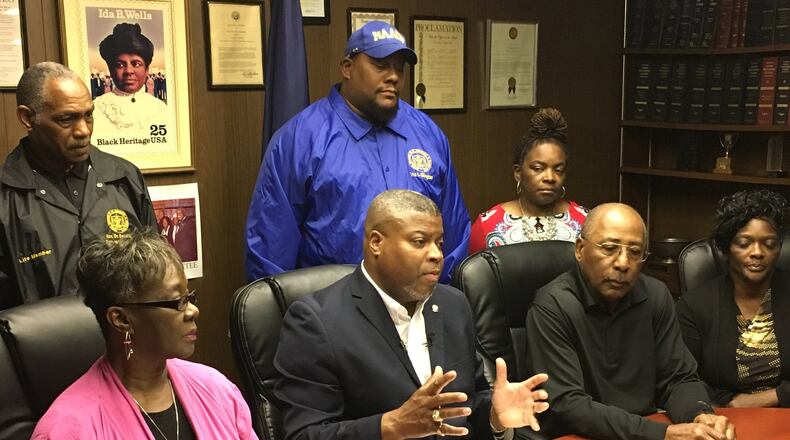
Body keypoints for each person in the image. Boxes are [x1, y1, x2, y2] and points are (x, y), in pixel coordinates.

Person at [274, 189, 550, 439]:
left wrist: (494, 416)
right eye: (420, 242)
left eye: (439, 243)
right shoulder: (316, 321)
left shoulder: (454, 304)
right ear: (376, 243)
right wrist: (389, 426)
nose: (436, 255)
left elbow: (468, 403)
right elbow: (302, 434)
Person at [246, 21, 470, 283]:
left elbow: (454, 233)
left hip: (418, 308)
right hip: (332, 313)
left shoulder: (428, 135)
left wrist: (439, 304)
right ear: (348, 68)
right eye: (380, 65)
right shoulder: (300, 139)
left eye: (399, 67)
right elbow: (270, 251)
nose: (393, 76)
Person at [525, 203, 735, 440]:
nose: (623, 263)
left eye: (635, 252)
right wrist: (662, 434)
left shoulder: (656, 295)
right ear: (580, 249)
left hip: (644, 428)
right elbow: (568, 403)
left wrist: (699, 414)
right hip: (578, 435)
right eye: (610, 248)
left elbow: (677, 377)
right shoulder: (552, 305)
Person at [32, 230, 257, 439]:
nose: (193, 311)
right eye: (177, 301)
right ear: (122, 319)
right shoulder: (65, 429)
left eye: (189, 297)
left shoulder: (216, 389)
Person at [0, 62, 157, 309]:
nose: (83, 130)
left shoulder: (123, 177)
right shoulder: (6, 197)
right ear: (27, 118)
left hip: (124, 340)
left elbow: (154, 275)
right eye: (66, 119)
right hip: (45, 344)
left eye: (88, 115)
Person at [677, 189, 790, 408]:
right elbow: (683, 380)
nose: (757, 252)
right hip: (720, 419)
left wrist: (760, 400)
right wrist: (728, 405)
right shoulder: (694, 306)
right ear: (727, 248)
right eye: (744, 243)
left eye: (769, 244)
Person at [469, 108, 587, 255]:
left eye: (558, 170)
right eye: (538, 168)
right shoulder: (488, 225)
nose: (550, 178)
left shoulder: (585, 222)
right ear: (518, 172)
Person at [92, 23, 168, 141]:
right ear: (111, 70)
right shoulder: (96, 108)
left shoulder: (160, 109)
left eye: (136, 64)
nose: (128, 71)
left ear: (146, 70)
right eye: (120, 65)